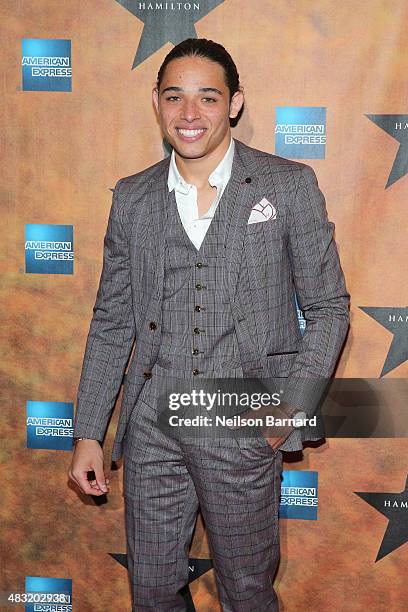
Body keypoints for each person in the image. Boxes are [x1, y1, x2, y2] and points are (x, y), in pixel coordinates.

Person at [68, 38, 350, 611]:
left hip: (243, 415)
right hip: (151, 424)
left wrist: (285, 411)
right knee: (150, 589)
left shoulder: (287, 185)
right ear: (157, 104)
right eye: (175, 98)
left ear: (235, 103)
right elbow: (112, 319)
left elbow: (329, 308)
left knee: (246, 590)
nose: (189, 115)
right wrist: (89, 431)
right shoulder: (132, 198)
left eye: (207, 98)